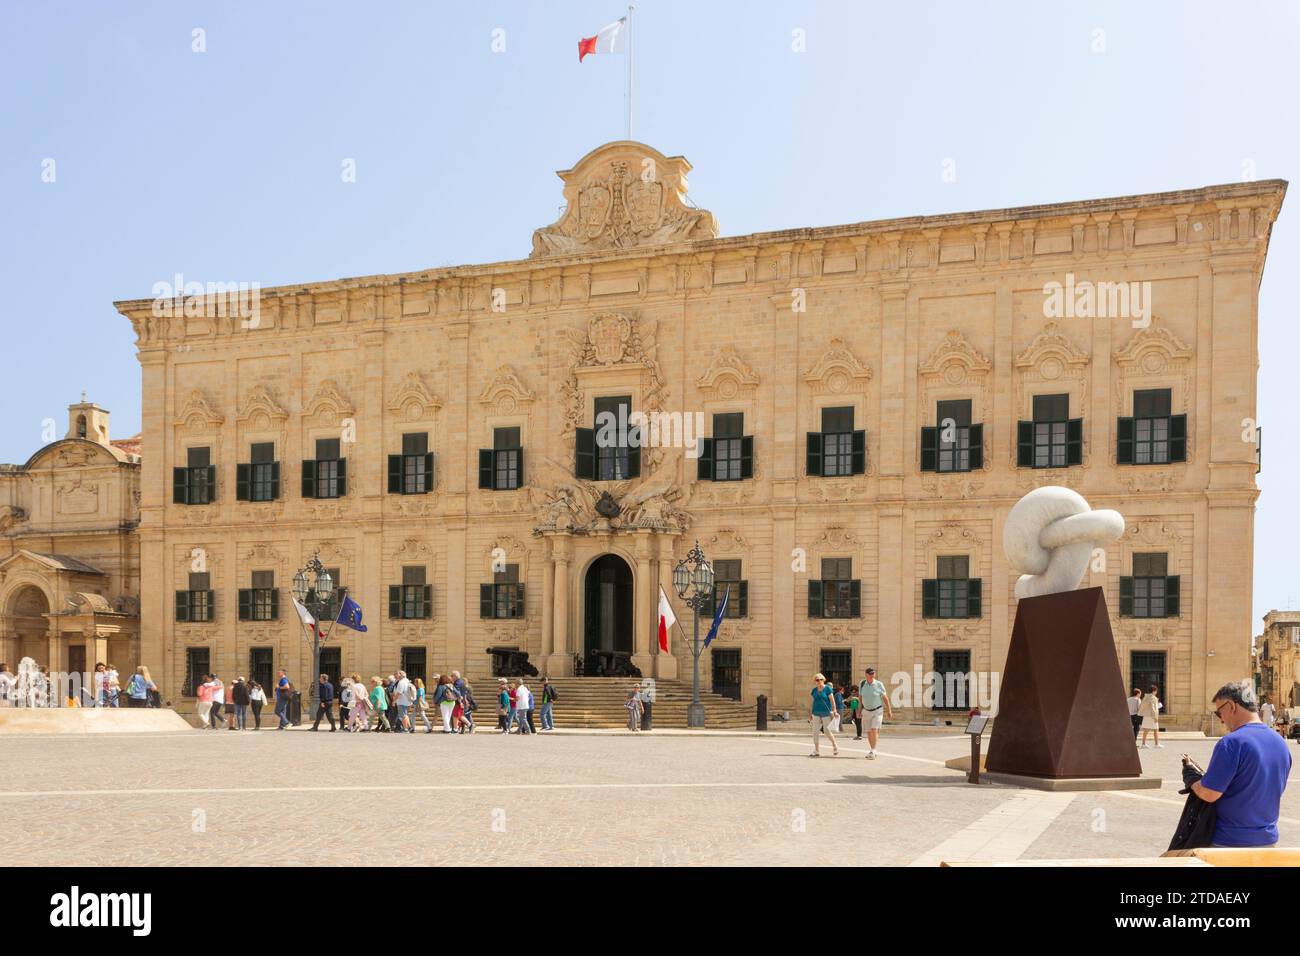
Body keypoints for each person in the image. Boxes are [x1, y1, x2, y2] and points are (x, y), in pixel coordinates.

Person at [1186, 680, 1293, 847]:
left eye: (1219, 713)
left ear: (1231, 706)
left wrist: (1192, 781)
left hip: (1230, 842)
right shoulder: (1280, 743)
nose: (1221, 720)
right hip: (1267, 842)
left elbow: (1209, 793)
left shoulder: (1231, 743)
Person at [857, 666, 892, 759]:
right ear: (866, 674)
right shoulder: (862, 683)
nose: (872, 675)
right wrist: (859, 710)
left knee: (874, 729)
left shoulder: (879, 684)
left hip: (877, 710)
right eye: (870, 674)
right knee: (868, 731)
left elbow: (885, 698)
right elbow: (860, 698)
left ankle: (873, 750)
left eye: (873, 673)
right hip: (866, 711)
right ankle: (872, 749)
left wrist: (889, 710)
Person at [809, 673, 839, 757]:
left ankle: (834, 745)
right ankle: (816, 750)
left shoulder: (828, 689)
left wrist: (835, 710)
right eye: (817, 680)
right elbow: (812, 702)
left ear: (823, 680)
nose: (819, 681)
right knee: (815, 731)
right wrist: (811, 713)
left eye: (821, 679)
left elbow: (832, 701)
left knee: (826, 731)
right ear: (815, 681)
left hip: (826, 712)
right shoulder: (814, 690)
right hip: (816, 712)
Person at [1138, 684, 1163, 748]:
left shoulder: (1145, 697)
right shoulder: (1153, 698)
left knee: (1146, 730)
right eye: (1156, 691)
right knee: (1156, 730)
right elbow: (1153, 708)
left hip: (1146, 715)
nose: (1156, 692)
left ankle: (1143, 744)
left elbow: (1143, 706)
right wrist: (1155, 717)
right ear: (1154, 691)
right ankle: (1156, 744)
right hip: (1152, 716)